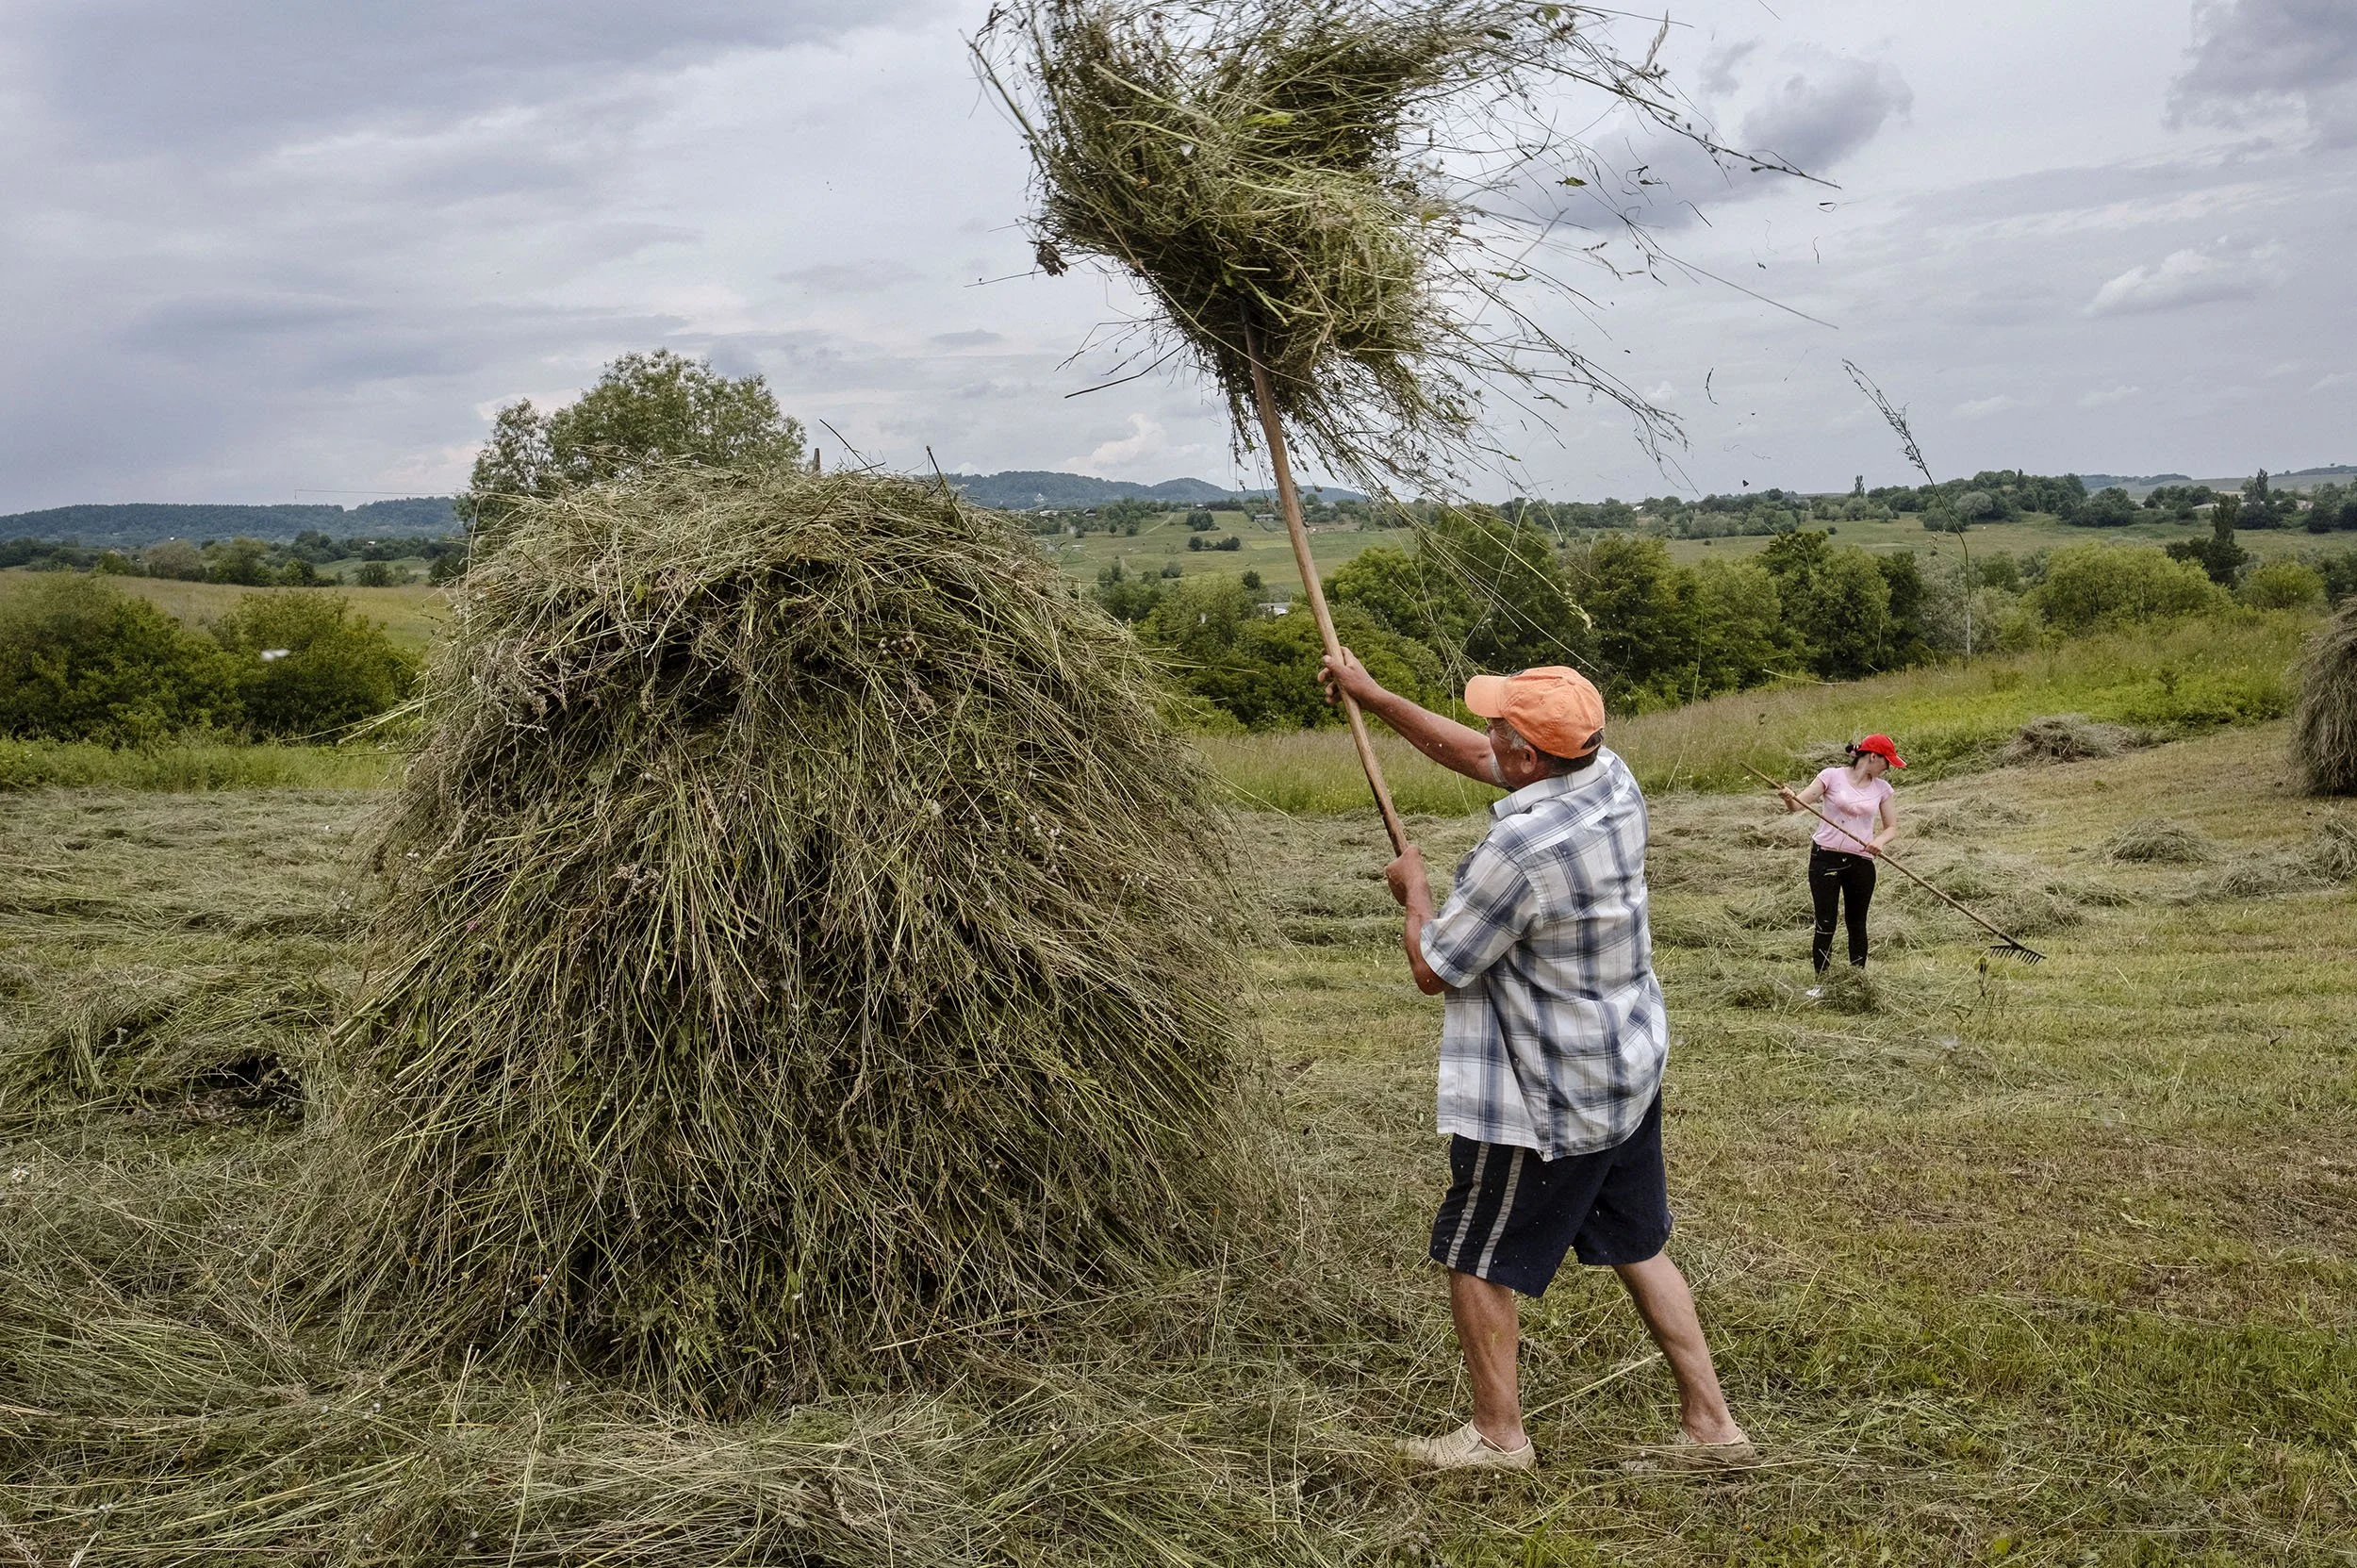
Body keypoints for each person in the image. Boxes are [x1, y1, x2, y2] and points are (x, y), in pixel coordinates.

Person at [1319, 652, 1750, 1474]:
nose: (1486, 734)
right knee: (1638, 1242)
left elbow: (1434, 966)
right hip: (1624, 1062)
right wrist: (1374, 697)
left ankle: (1497, 1437)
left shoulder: (1518, 851)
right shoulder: (1609, 776)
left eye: (1500, 726)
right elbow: (1475, 755)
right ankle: (1714, 1427)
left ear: (1531, 756)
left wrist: (1414, 892)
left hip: (1549, 1092)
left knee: (1474, 1254)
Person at [1777, 734, 1904, 978]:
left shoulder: (1883, 789)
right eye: (1887, 762)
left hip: (1861, 863)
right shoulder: (1831, 776)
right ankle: (1821, 981)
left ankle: (1857, 980)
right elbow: (1797, 806)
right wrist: (1789, 798)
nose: (1888, 769)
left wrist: (1878, 841)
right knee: (1826, 924)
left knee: (1857, 924)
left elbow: (1892, 828)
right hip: (1825, 859)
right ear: (1873, 756)